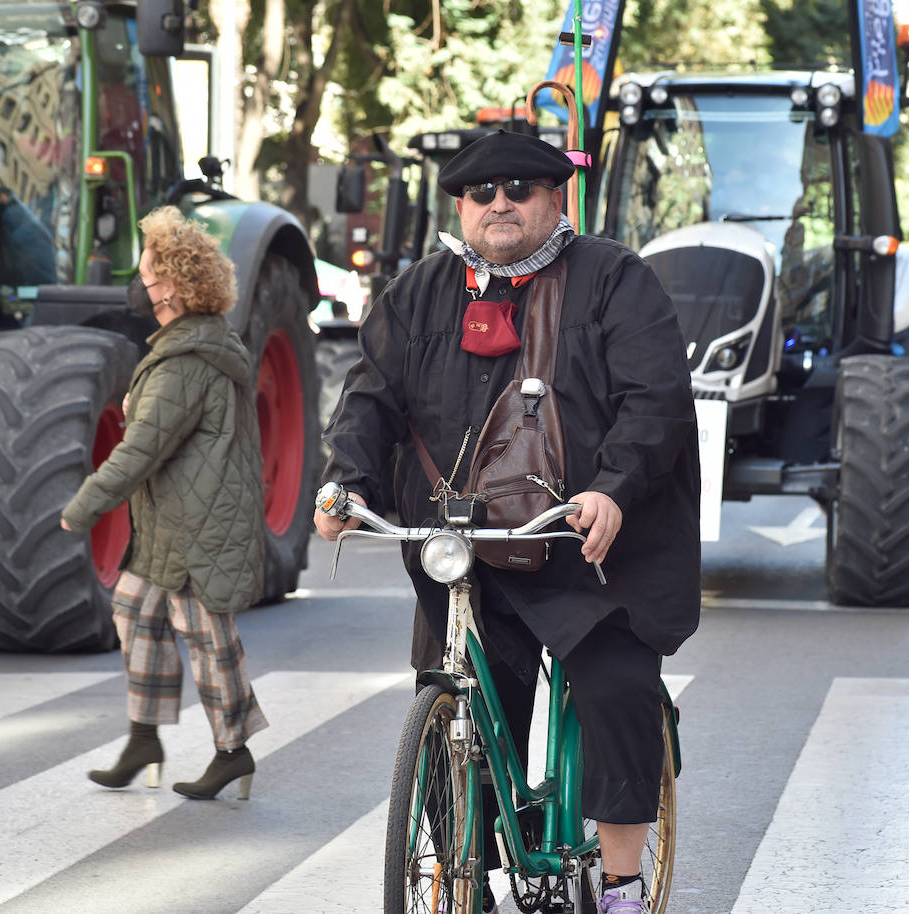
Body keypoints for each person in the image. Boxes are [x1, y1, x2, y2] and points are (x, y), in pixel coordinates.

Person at [314, 129, 700, 912]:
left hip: (584, 543)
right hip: (465, 547)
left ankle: (622, 885)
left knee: (616, 684)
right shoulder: (419, 290)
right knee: (451, 697)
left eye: (520, 189)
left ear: (555, 198)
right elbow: (370, 399)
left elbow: (654, 402)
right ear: (460, 205)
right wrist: (344, 484)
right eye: (482, 193)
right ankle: (472, 876)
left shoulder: (614, 279)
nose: (500, 203)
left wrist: (615, 491)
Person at [62, 206, 268, 801]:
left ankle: (233, 752)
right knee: (135, 611)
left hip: (199, 527)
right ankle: (143, 737)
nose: (140, 281)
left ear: (172, 287)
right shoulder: (188, 346)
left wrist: (83, 507)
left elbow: (140, 451)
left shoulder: (186, 361)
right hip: (173, 522)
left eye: (148, 271)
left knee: (209, 640)